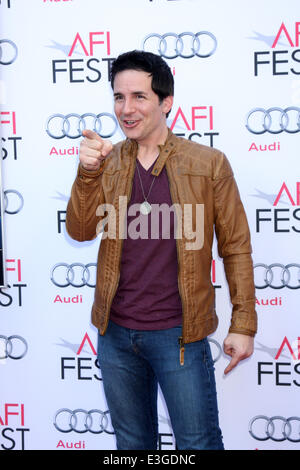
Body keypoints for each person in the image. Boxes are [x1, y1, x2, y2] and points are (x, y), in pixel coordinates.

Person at [66, 50, 257, 450]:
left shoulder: (207, 164)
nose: (126, 109)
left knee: (198, 443)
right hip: (115, 335)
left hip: (179, 336)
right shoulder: (108, 161)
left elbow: (236, 247)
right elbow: (81, 230)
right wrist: (87, 174)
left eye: (139, 97)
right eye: (119, 97)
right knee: (133, 444)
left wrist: (243, 323)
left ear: (166, 102)